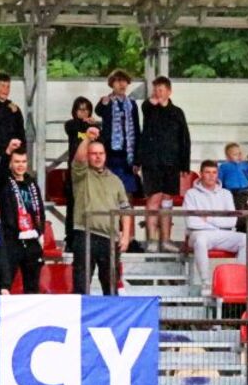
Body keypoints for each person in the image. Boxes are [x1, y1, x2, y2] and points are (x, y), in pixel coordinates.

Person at [70, 127, 133, 295]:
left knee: (111, 286)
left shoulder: (115, 180)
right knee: (81, 285)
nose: (98, 157)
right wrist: (87, 138)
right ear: (88, 155)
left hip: (110, 239)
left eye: (101, 153)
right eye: (93, 153)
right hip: (85, 234)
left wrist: (126, 236)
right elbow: (78, 159)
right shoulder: (81, 174)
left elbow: (125, 209)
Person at [137, 76, 191, 251]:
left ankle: (166, 239)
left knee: (167, 200)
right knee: (154, 198)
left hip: (172, 163)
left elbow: (184, 138)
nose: (158, 93)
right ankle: (152, 239)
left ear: (169, 91)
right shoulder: (149, 109)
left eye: (161, 90)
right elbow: (145, 113)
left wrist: (185, 164)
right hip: (152, 163)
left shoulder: (177, 112)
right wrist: (138, 160)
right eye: (155, 89)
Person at [181, 160, 244, 295]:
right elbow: (191, 222)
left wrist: (208, 219)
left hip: (221, 234)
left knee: (247, 240)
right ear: (201, 174)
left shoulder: (226, 193)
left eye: (214, 172)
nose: (211, 176)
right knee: (201, 240)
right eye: (207, 172)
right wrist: (219, 223)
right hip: (198, 234)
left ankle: (237, 280)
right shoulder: (191, 194)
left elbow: (232, 221)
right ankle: (206, 283)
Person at [0, 149, 46, 294]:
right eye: (16, 162)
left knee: (32, 287)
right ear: (10, 164)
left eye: (23, 161)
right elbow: (0, 172)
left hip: (32, 240)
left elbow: (40, 209)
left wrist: (40, 231)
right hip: (12, 240)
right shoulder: (4, 182)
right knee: (5, 284)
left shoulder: (32, 182)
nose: (20, 165)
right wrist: (7, 153)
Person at [94, 70, 142, 198]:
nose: (122, 84)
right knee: (110, 193)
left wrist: (137, 160)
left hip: (128, 157)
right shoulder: (107, 101)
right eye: (118, 81)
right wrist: (104, 103)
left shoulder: (132, 104)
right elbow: (98, 111)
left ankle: (127, 212)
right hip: (111, 155)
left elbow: (137, 130)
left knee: (128, 192)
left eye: (125, 81)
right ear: (112, 84)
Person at [61, 96, 101, 237]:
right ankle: (70, 238)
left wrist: (94, 126)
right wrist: (88, 127)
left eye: (86, 109)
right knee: (73, 206)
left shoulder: (95, 127)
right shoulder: (71, 125)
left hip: (91, 172)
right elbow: (77, 133)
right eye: (80, 109)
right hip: (75, 172)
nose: (83, 112)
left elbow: (99, 139)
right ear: (75, 111)